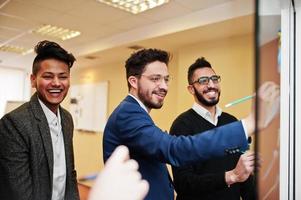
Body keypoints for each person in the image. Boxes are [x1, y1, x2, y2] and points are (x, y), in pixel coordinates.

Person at [102, 48, 279, 200]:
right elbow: (175, 150)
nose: (164, 86)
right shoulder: (128, 114)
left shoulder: (137, 114)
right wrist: (251, 122)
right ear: (133, 81)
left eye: (166, 79)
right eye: (155, 79)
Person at [0, 40, 79, 200]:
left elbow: (69, 175)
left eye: (63, 77)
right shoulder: (13, 123)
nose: (56, 83)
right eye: (48, 76)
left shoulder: (67, 119)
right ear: (33, 80)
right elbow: (18, 192)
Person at [170, 57, 255, 200]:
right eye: (203, 81)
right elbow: (183, 183)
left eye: (214, 79)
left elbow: (245, 175)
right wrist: (230, 176)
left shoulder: (232, 122)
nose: (211, 85)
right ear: (191, 89)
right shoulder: (182, 126)